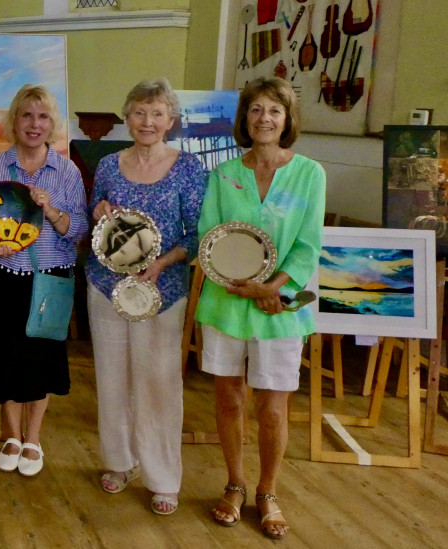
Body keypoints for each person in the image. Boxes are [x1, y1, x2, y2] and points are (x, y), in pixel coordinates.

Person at [199, 76, 325, 539]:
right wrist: (241, 284)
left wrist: (272, 287)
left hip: (280, 306)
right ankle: (234, 482)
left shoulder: (310, 173)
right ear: (244, 119)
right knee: (229, 399)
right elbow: (209, 236)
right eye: (255, 110)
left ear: (288, 118)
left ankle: (268, 492)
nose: (264, 118)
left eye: (274, 110)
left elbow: (309, 245)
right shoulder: (223, 174)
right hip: (226, 301)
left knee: (273, 406)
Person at [85, 78, 208, 515]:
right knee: (112, 378)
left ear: (171, 120)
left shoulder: (190, 169)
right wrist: (99, 209)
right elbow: (96, 215)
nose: (148, 121)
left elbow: (197, 236)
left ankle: (162, 478)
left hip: (163, 289)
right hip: (106, 286)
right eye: (139, 112)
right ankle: (119, 462)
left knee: (158, 385)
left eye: (157, 113)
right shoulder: (108, 165)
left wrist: (162, 264)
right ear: (127, 117)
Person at [0, 84, 87, 478]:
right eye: (27, 115)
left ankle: (34, 438)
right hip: (2, 275)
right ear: (14, 121)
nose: (35, 124)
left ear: (53, 125)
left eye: (43, 116)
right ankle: (11, 436)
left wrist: (50, 210)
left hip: (48, 278)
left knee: (41, 360)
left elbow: (78, 229)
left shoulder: (66, 171)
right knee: (5, 354)